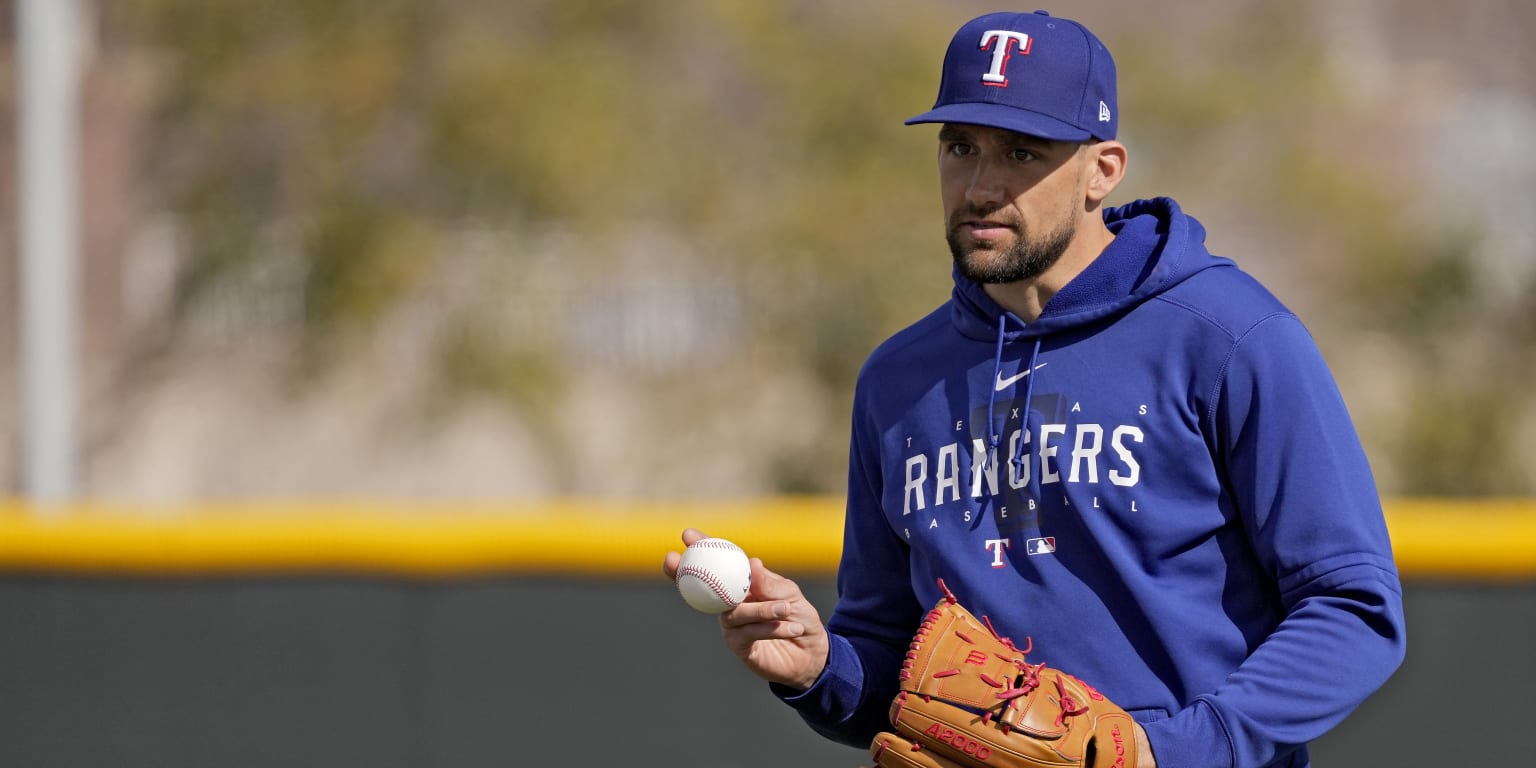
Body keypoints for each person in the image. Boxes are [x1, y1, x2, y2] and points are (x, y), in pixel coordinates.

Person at [663, 9, 1405, 768]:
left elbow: (1353, 610)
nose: (980, 186)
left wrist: (1169, 753)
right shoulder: (898, 381)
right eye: (959, 148)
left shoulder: (1228, 338)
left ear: (1103, 168)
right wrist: (824, 667)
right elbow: (894, 659)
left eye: (1021, 151)